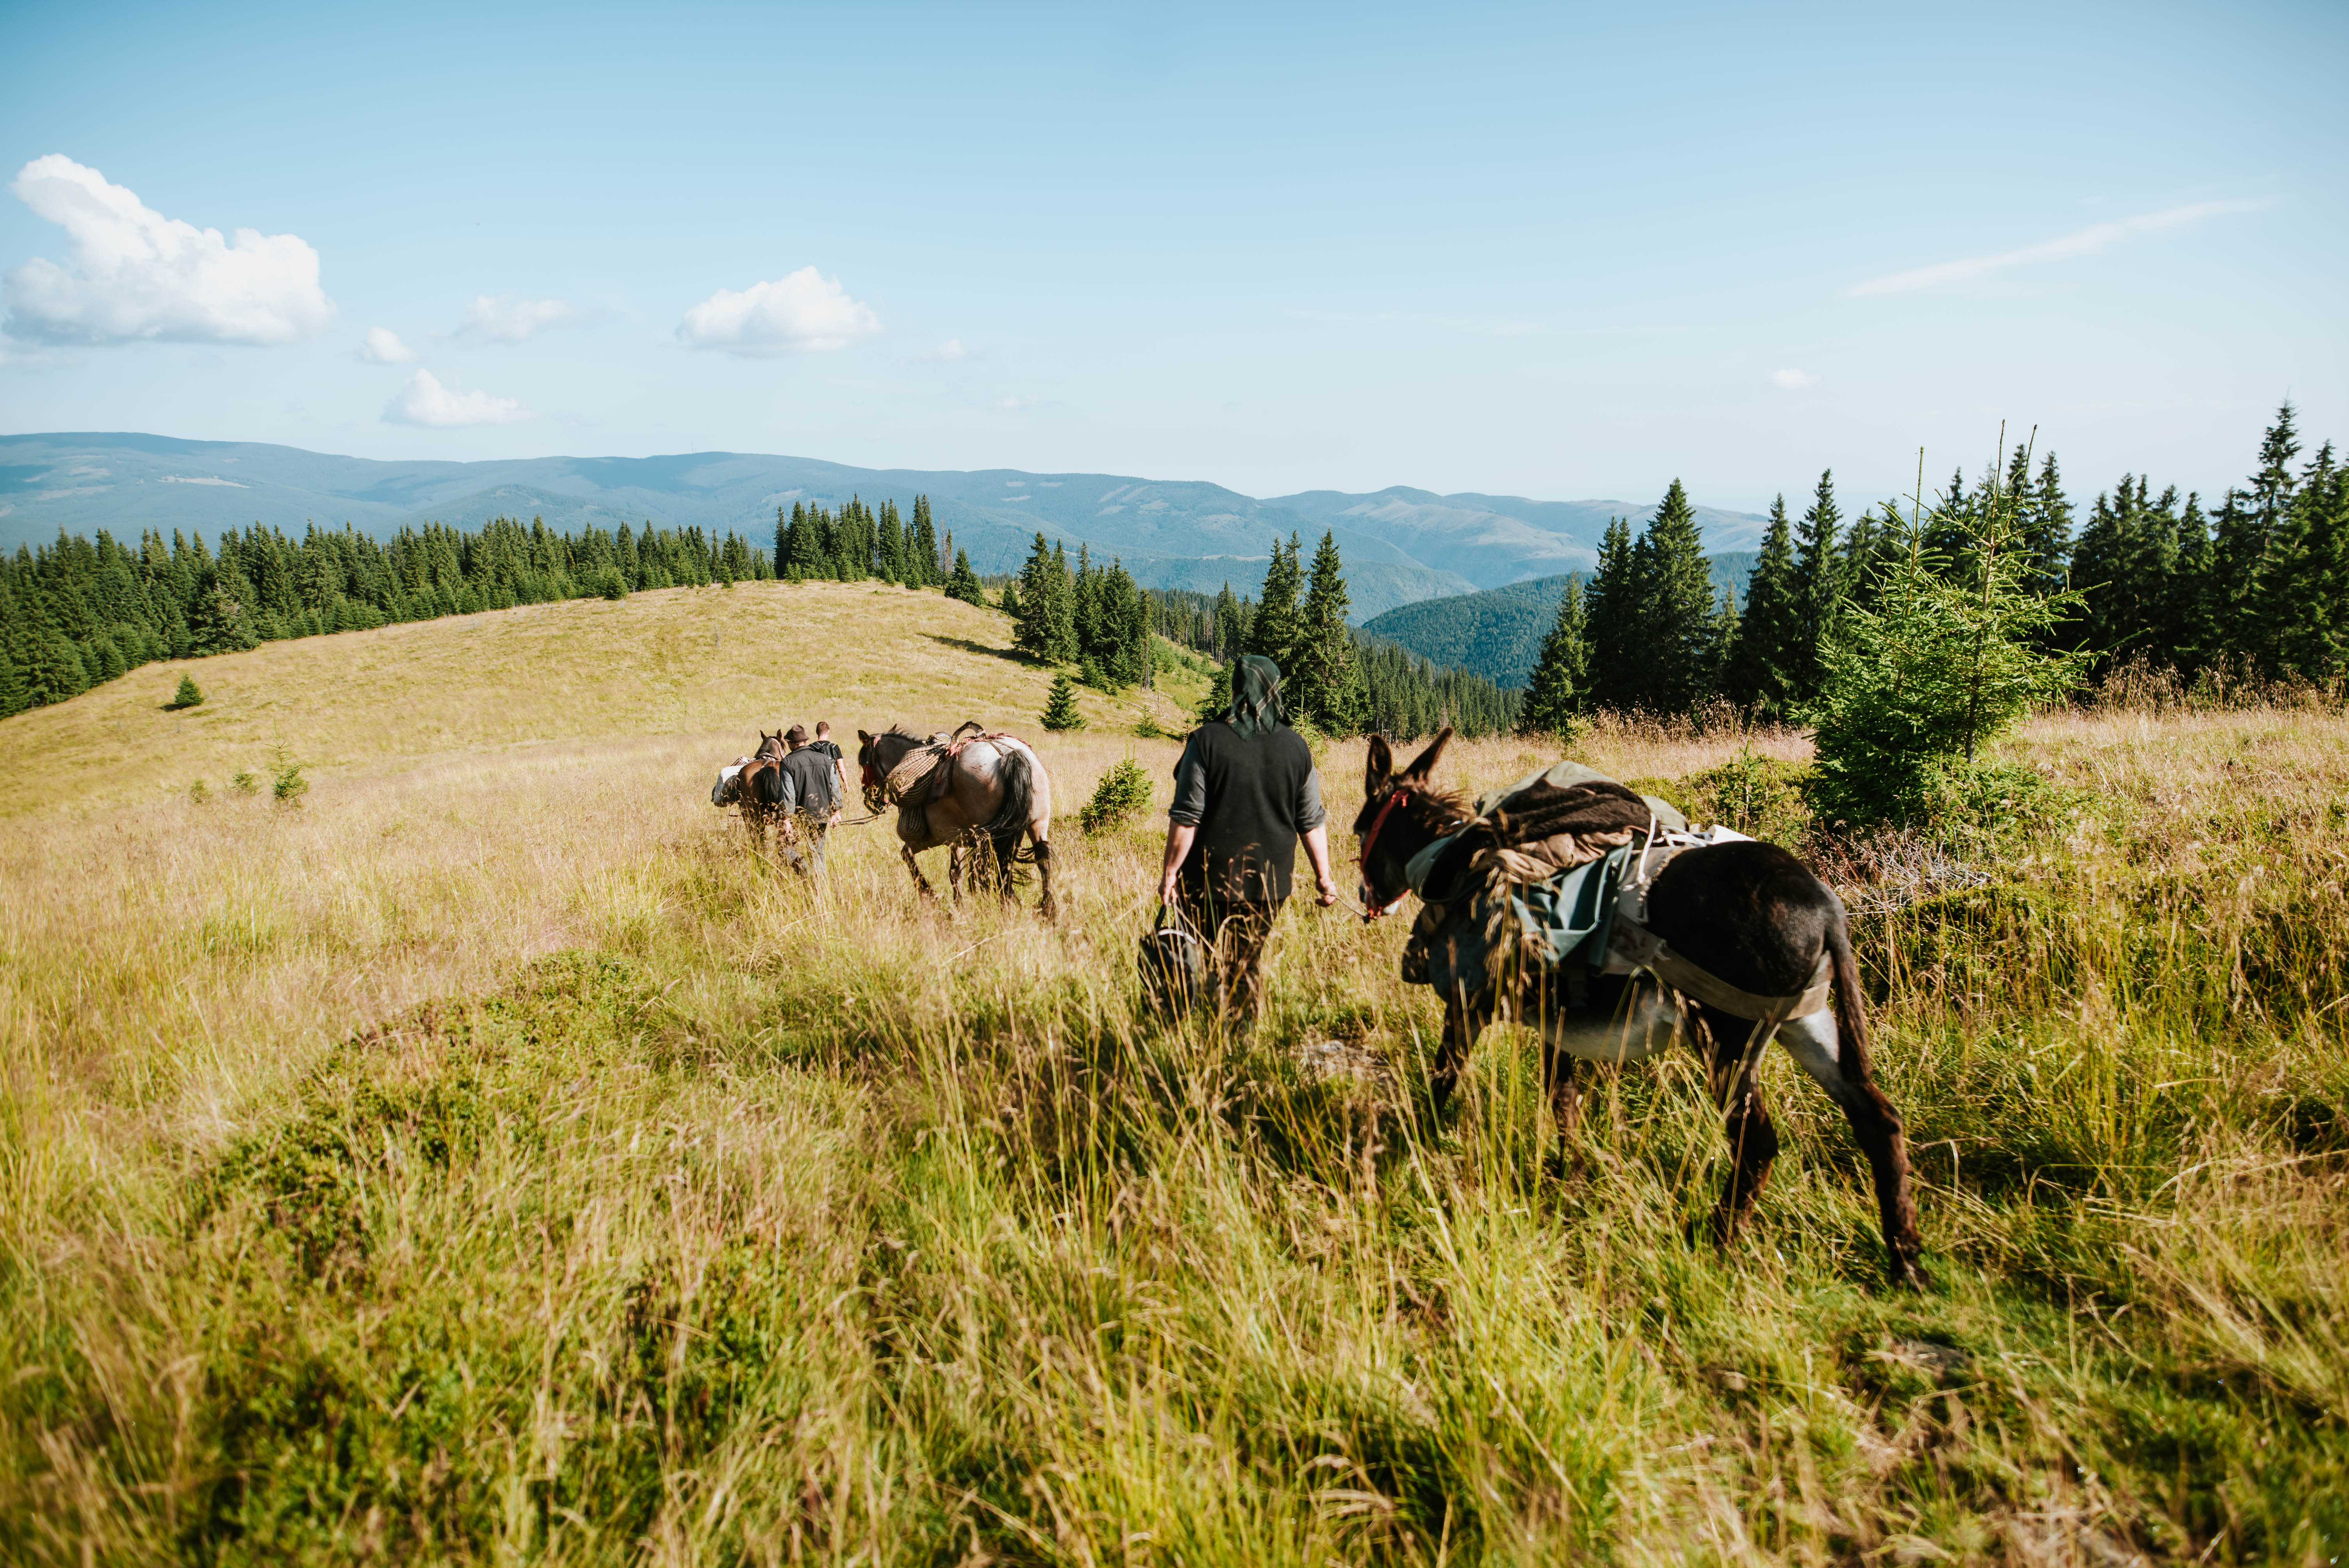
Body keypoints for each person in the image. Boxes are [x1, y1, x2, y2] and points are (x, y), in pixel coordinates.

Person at [1157, 654, 1338, 1033]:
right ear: (1274, 692)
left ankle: (1187, 1033)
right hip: (1268, 887)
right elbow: (1311, 820)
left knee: (1196, 955)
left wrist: (1170, 873)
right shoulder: (1296, 747)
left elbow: (1187, 815)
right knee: (1245, 961)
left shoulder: (1205, 740)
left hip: (1206, 881)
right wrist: (1324, 878)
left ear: (1237, 691)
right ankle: (1239, 1039)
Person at [775, 723, 840, 878]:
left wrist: (786, 820)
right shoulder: (825, 759)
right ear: (805, 741)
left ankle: (808, 875)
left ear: (791, 744)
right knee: (817, 851)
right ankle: (821, 885)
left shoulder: (788, 763)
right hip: (823, 813)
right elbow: (835, 786)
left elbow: (788, 794)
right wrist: (837, 811)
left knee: (785, 848)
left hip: (800, 816)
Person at [809, 720, 848, 824]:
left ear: (817, 732)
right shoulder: (835, 747)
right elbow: (841, 769)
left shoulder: (810, 748)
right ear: (828, 732)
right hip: (832, 782)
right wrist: (846, 783)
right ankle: (836, 815)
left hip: (815, 784)